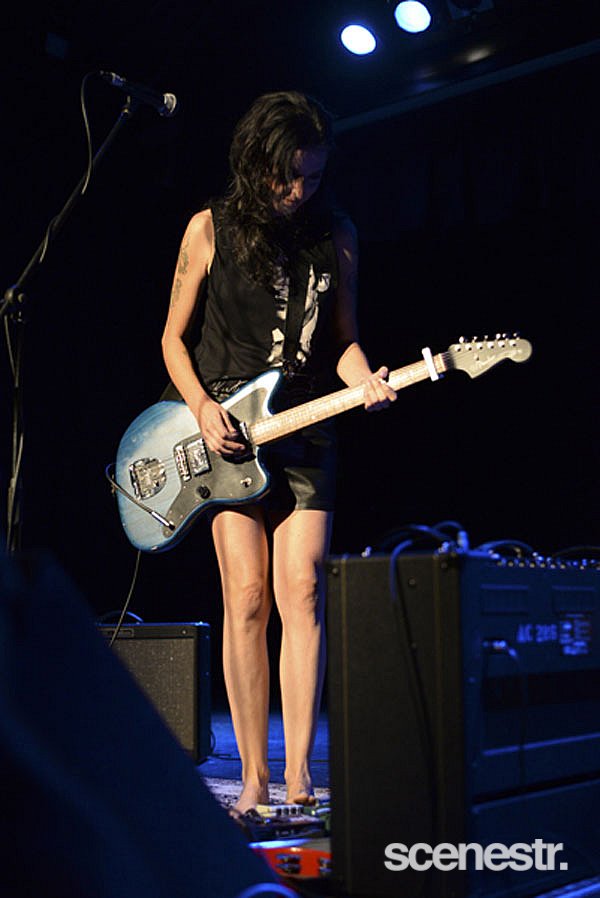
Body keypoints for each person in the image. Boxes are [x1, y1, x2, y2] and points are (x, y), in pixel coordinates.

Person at [160, 91, 397, 814]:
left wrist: (366, 380)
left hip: (305, 426)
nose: (299, 191)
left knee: (304, 591)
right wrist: (201, 409)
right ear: (257, 161)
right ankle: (255, 780)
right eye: (288, 175)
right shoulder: (209, 228)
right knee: (247, 597)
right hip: (225, 432)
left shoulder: (337, 234)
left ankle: (299, 778)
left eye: (313, 177)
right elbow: (172, 338)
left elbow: (344, 340)